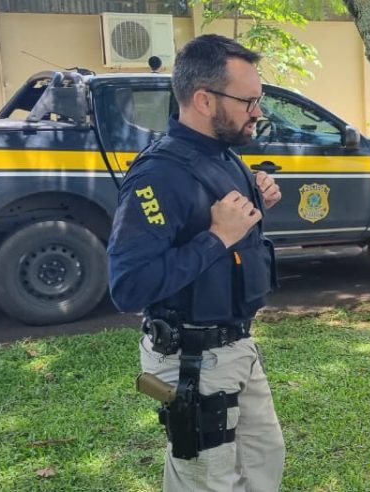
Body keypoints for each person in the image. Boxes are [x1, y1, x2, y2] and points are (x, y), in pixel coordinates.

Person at [107, 34, 285, 491]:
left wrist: (254, 203)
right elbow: (129, 286)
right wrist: (217, 236)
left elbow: (235, 246)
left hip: (237, 348)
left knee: (263, 466)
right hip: (192, 360)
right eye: (249, 101)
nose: (258, 112)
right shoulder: (158, 175)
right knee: (207, 481)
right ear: (205, 99)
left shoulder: (224, 157)